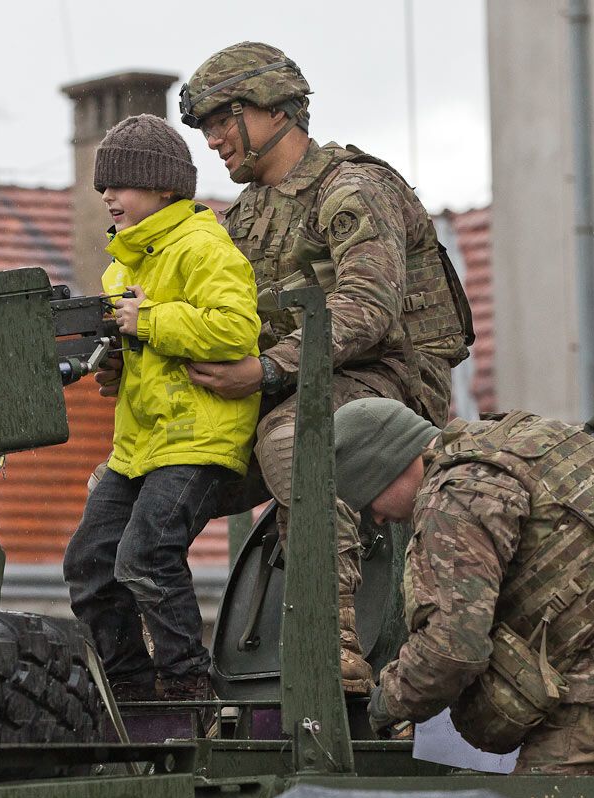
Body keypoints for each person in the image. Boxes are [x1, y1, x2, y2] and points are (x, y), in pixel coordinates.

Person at [165, 41, 474, 692]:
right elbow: (216, 315)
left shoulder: (351, 188)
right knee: (153, 475)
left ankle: (326, 651)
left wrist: (268, 371)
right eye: (207, 125)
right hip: (289, 386)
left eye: (226, 117)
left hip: (390, 386)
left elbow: (367, 308)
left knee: (293, 443)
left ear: (276, 109)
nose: (215, 138)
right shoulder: (244, 219)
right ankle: (167, 680)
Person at [63, 114, 262, 702]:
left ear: (163, 188)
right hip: (140, 445)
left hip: (198, 437)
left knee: (147, 556)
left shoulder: (204, 246)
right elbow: (147, 349)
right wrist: (118, 360)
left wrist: (147, 320)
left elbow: (234, 328)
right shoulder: (123, 263)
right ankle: (132, 689)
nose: (107, 196)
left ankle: (187, 686)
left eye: (120, 184)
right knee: (89, 566)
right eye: (104, 186)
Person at [335, 397, 594, 775]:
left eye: (368, 503)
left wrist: (388, 703)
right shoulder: (526, 436)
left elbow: (452, 650)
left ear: (385, 465)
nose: (378, 519)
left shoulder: (451, 496)